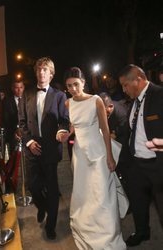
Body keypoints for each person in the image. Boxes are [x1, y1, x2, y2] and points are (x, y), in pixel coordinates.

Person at [63, 67, 126, 249]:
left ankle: (108, 233)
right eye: (69, 86)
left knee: (102, 194)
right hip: (80, 154)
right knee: (85, 193)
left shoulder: (96, 100)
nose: (73, 89)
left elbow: (105, 130)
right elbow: (72, 127)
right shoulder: (68, 103)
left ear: (83, 82)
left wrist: (109, 156)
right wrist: (66, 134)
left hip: (98, 151)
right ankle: (88, 226)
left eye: (76, 84)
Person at [19, 57, 69, 240]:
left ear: (51, 73)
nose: (41, 72)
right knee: (33, 185)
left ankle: (51, 225)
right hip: (33, 146)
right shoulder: (27, 94)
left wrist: (62, 130)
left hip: (50, 147)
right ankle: (42, 206)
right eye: (39, 69)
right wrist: (29, 142)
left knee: (52, 186)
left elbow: (64, 120)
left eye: (45, 69)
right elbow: (22, 122)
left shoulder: (59, 95)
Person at [119, 64, 163, 247]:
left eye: (125, 85)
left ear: (138, 79)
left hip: (157, 166)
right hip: (136, 165)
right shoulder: (134, 102)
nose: (123, 89)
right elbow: (131, 131)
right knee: (138, 204)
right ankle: (142, 232)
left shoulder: (160, 95)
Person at [3, 80, 25, 153]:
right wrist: (16, 130)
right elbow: (6, 120)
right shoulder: (7, 101)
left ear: (23, 88)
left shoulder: (28, 100)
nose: (19, 90)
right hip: (13, 134)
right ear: (12, 88)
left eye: (21, 87)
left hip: (27, 133)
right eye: (16, 88)